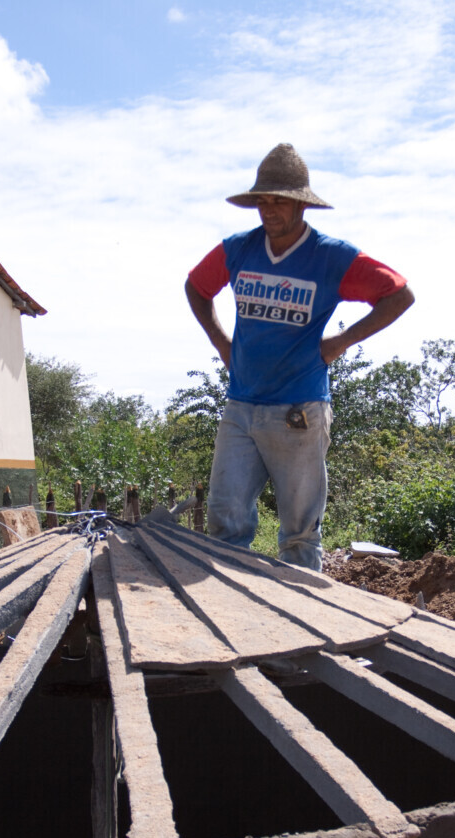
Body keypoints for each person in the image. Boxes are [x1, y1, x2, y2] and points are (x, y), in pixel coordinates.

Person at [184, 143, 414, 570]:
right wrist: (222, 343)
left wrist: (341, 341)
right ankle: (229, 614)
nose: (269, 211)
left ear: (302, 206)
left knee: (299, 532)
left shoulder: (331, 257)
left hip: (299, 410)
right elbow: (196, 287)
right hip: (241, 406)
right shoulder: (238, 250)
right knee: (225, 521)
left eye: (280, 201)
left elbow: (398, 295)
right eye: (263, 201)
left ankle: (304, 623)